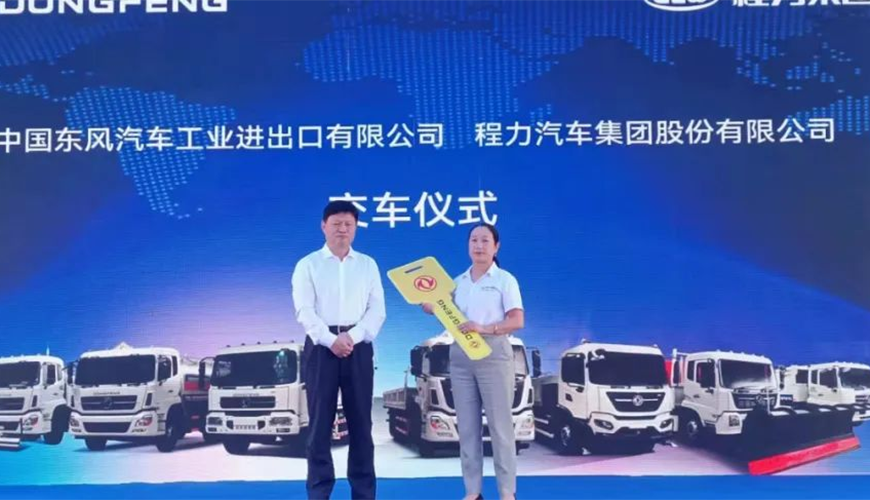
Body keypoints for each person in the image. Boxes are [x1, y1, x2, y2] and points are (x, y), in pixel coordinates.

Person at [422, 223, 525, 500]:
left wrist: (485, 328)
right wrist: (430, 306)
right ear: (468, 246)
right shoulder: (457, 282)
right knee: (467, 429)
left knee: (501, 428)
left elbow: (517, 320)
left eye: (485, 240)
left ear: (496, 247)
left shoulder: (505, 280)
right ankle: (472, 491)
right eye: (474, 240)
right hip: (460, 357)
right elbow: (443, 310)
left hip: (494, 354)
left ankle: (507, 492)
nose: (479, 246)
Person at [292, 200, 386, 500]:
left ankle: (364, 493)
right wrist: (330, 339)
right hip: (321, 349)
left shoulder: (368, 265)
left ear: (355, 228)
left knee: (361, 425)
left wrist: (352, 337)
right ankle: (319, 493)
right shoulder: (308, 265)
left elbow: (377, 310)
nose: (342, 229)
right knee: (320, 425)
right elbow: (304, 310)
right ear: (324, 226)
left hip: (358, 348)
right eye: (336, 224)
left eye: (348, 224)